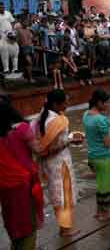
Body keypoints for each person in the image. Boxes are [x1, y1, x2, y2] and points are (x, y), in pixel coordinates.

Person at [33, 90, 79, 236]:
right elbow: (50, 148)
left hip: (52, 163)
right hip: (58, 162)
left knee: (58, 193)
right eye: (65, 102)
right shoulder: (54, 121)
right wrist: (69, 140)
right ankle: (65, 229)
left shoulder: (43, 116)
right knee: (63, 194)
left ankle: (64, 227)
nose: (67, 105)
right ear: (55, 104)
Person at [0, 98, 44, 250]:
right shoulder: (22, 129)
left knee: (13, 222)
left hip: (4, 186)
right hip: (24, 181)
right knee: (28, 225)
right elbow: (39, 150)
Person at [83, 89, 110, 221]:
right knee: (107, 185)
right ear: (99, 102)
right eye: (107, 103)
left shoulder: (86, 115)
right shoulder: (101, 119)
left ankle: (99, 211)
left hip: (92, 156)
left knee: (100, 183)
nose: (109, 105)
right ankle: (106, 213)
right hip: (103, 156)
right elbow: (108, 143)